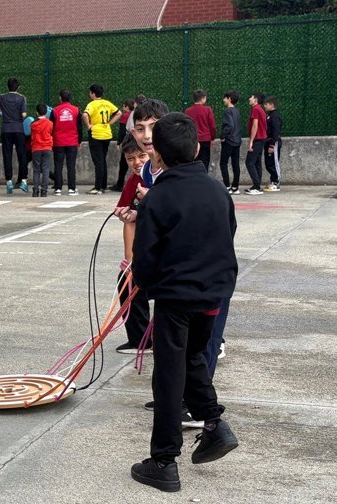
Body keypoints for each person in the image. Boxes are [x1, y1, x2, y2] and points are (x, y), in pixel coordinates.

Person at [129, 112, 238, 493]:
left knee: (169, 374)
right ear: (196, 148)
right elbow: (227, 235)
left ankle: (163, 460)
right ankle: (213, 424)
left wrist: (143, 283)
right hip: (213, 295)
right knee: (193, 357)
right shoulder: (217, 190)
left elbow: (145, 258)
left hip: (177, 298)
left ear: (156, 154)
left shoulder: (159, 198)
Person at [112, 135, 152, 355]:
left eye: (142, 156)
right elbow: (129, 221)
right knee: (127, 281)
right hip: (147, 251)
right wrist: (130, 261)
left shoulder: (163, 178)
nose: (136, 162)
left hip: (170, 252)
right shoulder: (132, 182)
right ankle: (140, 340)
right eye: (130, 158)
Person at [0, 77, 29, 194]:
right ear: (18, 87)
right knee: (22, 155)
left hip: (6, 130)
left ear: (8, 86)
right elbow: (24, 114)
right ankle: (24, 181)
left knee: (7, 155)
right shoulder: (21, 98)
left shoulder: (1, 97)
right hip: (18, 129)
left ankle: (9, 181)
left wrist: (0, 110)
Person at [82, 84, 121, 194]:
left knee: (98, 161)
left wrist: (89, 125)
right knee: (102, 159)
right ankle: (103, 185)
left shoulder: (92, 104)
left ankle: (98, 187)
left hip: (96, 134)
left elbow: (85, 115)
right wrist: (110, 123)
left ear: (93, 94)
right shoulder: (107, 103)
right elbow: (119, 113)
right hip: (107, 134)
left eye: (90, 92)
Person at [51, 89, 82, 195]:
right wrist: (79, 141)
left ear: (60, 98)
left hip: (58, 142)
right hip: (72, 141)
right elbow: (79, 127)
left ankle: (58, 188)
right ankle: (71, 188)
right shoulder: (76, 110)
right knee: (71, 165)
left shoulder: (54, 111)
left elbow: (51, 127)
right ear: (70, 98)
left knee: (58, 165)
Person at [184, 89, 217, 172]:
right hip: (205, 139)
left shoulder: (187, 111)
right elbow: (212, 126)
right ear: (203, 99)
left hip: (193, 140)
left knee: (193, 161)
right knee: (205, 161)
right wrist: (212, 138)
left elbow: (186, 126)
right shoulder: (208, 110)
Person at [244, 92, 268, 195]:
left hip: (257, 139)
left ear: (256, 100)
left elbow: (255, 126)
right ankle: (256, 185)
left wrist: (251, 141)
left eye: (251, 97)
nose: (249, 98)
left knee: (249, 162)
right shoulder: (260, 109)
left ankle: (257, 186)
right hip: (261, 138)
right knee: (257, 162)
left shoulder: (256, 109)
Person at [219, 90, 242, 194]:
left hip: (229, 141)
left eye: (225, 98)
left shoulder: (227, 111)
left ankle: (227, 186)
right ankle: (235, 187)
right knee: (235, 164)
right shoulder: (236, 111)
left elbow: (229, 125)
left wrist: (223, 136)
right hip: (237, 141)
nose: (223, 100)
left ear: (229, 99)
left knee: (223, 163)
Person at [110, 98, 135, 191]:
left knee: (123, 164)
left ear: (127, 107)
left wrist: (118, 143)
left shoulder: (125, 116)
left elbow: (122, 131)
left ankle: (120, 184)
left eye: (124, 106)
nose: (122, 108)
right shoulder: (136, 114)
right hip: (135, 142)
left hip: (127, 142)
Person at [30, 103, 54, 197]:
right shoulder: (50, 123)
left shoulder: (33, 124)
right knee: (46, 170)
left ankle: (35, 190)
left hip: (36, 148)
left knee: (36, 170)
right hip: (47, 147)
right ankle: (44, 190)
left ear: (37, 112)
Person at [263, 96, 283, 192]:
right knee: (268, 163)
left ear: (271, 105)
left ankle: (276, 182)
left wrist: (272, 145)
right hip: (268, 142)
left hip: (273, 143)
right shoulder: (269, 115)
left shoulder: (275, 116)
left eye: (266, 104)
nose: (264, 106)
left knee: (274, 162)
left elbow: (276, 131)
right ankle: (272, 180)